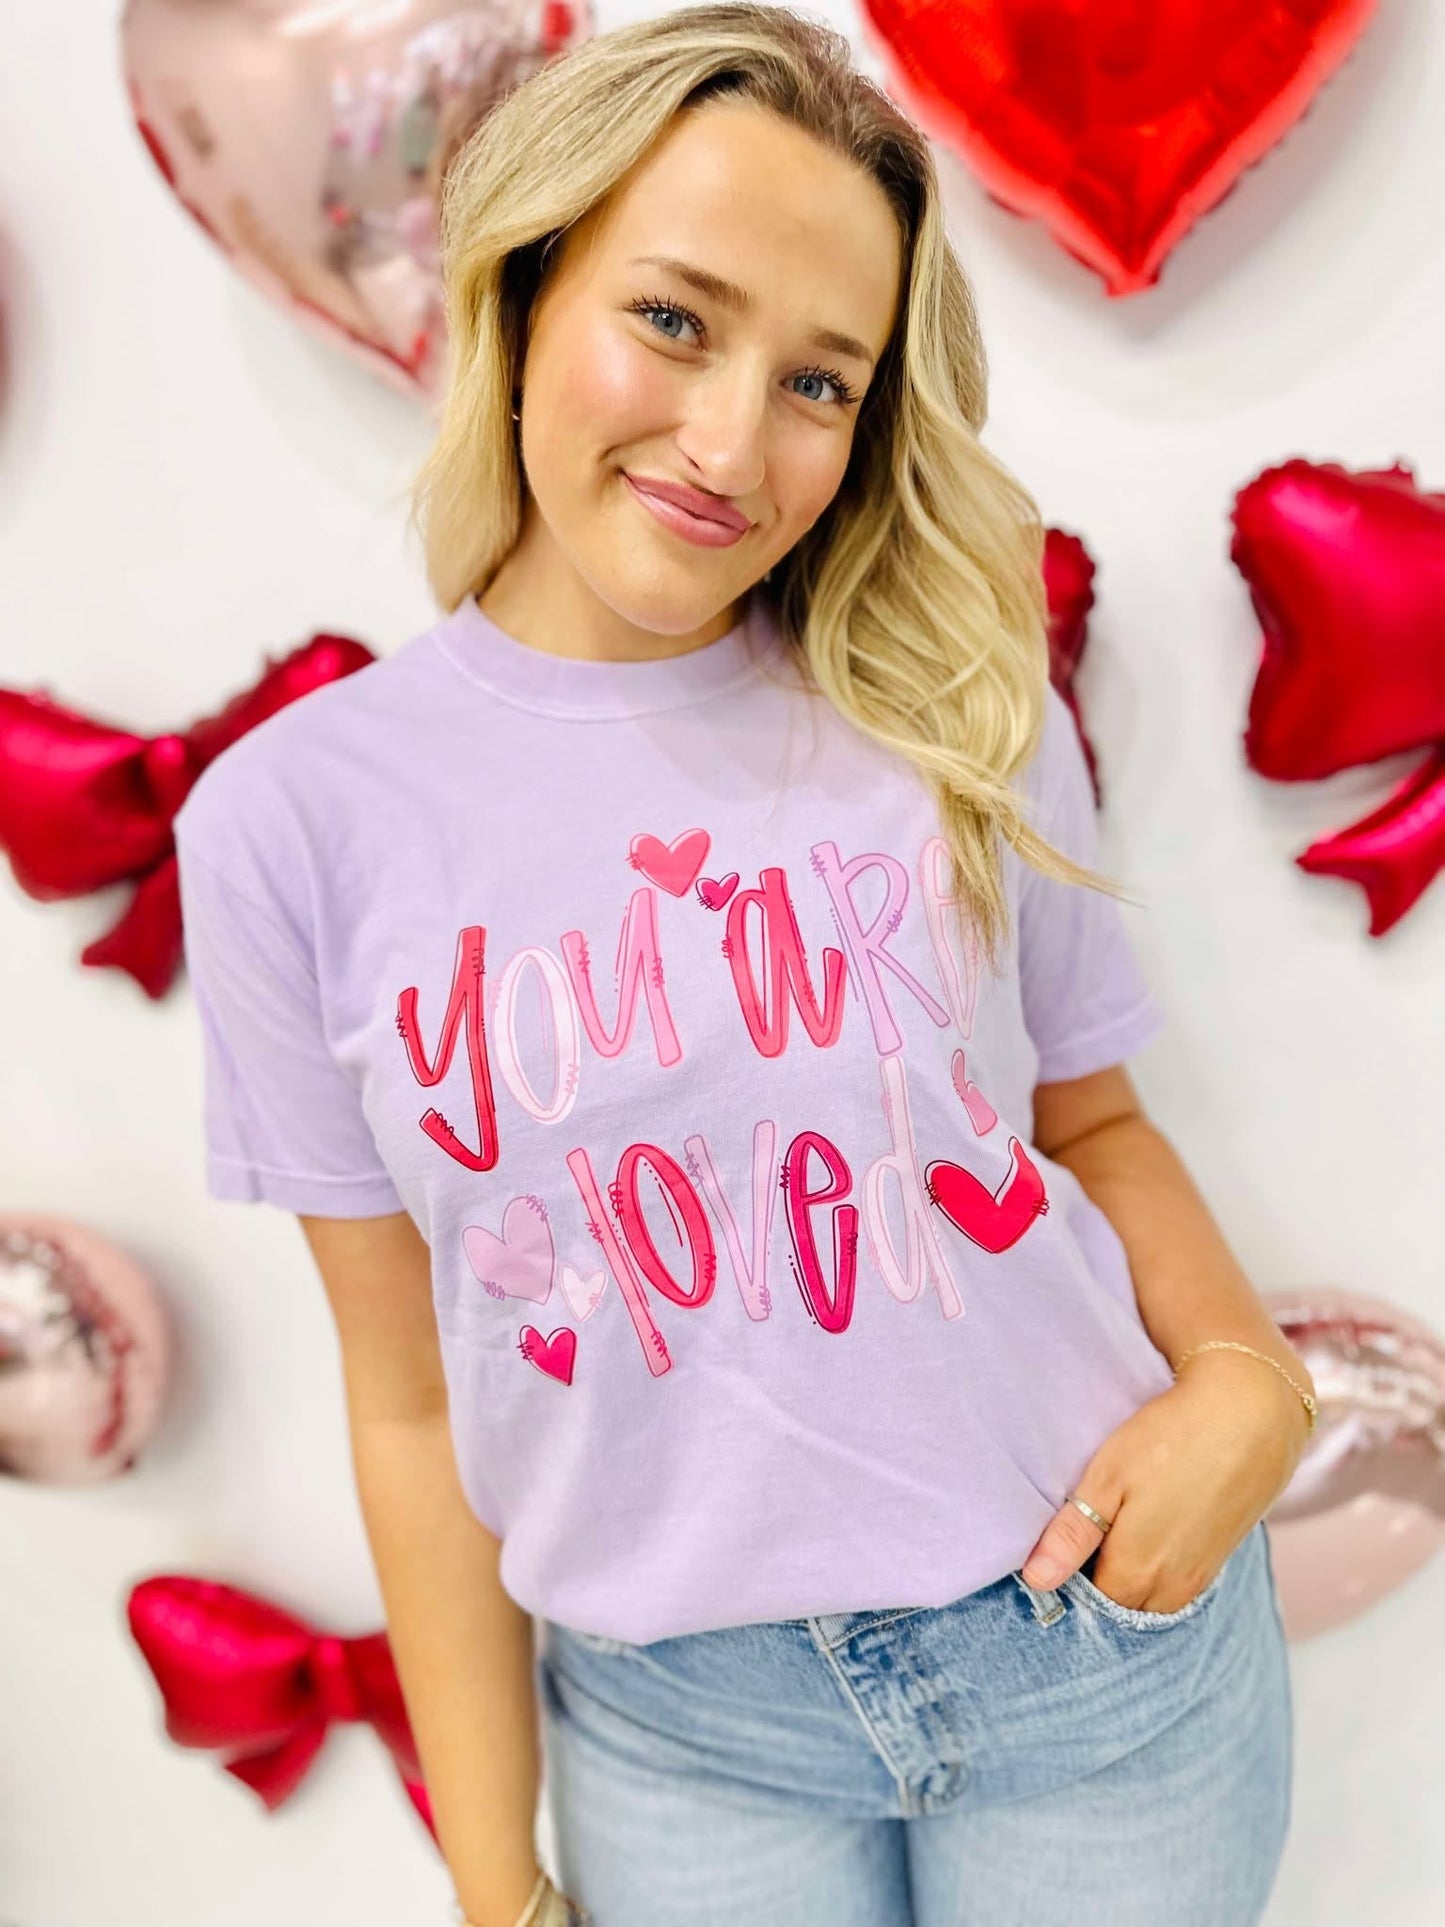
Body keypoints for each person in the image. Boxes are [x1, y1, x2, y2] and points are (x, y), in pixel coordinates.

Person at [171, 7, 1318, 1924]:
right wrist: (490, 1885)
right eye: (676, 320)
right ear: (526, 292)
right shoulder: (292, 822)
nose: (728, 442)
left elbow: (1091, 1122)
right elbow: (406, 1400)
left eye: (819, 380)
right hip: (678, 1735)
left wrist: (1244, 1385)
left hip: (1096, 1652)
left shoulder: (951, 699)